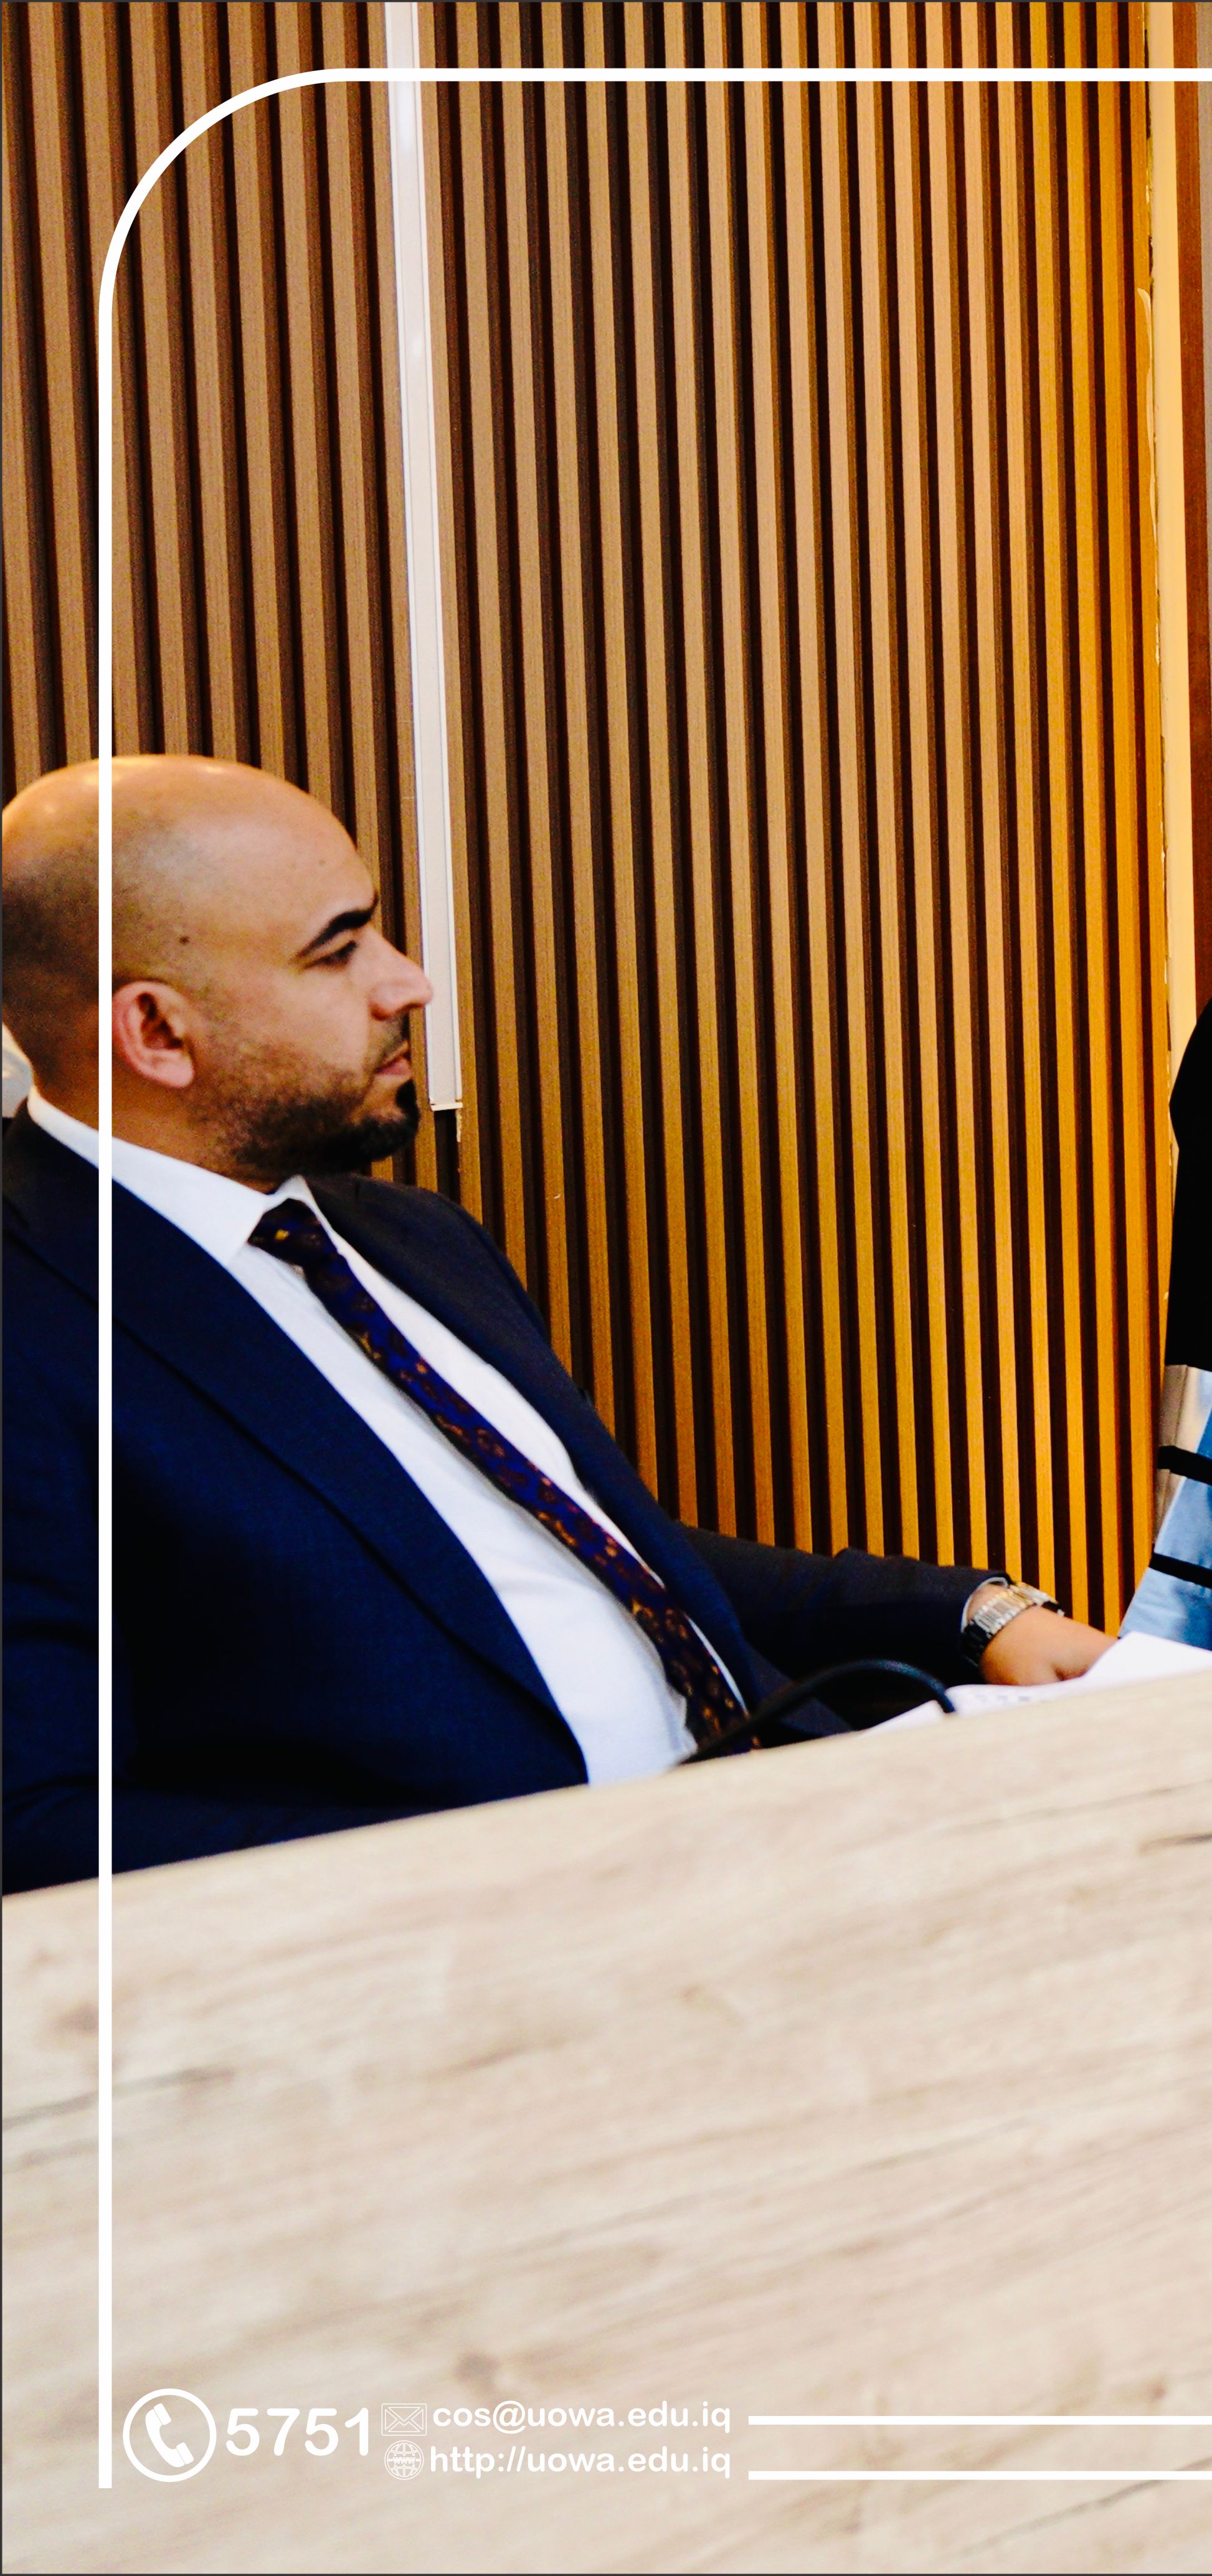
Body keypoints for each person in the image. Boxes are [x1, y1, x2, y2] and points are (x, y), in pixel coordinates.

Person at [0, 755, 1114, 1889]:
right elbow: (32, 1825)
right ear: (156, 1030)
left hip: (795, 1827)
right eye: (338, 951)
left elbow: (588, 1546)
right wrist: (542, 1867)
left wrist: (970, 1612)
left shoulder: (408, 1236)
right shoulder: (29, 1328)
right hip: (492, 1944)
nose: (408, 983)